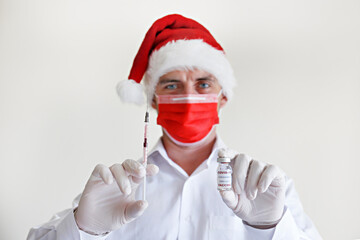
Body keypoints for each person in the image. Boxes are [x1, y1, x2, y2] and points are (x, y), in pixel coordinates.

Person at [27, 14, 322, 240]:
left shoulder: (265, 186)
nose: (190, 96)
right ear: (153, 101)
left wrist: (268, 228)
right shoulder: (118, 188)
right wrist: (84, 228)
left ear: (223, 97)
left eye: (204, 83)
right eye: (172, 84)